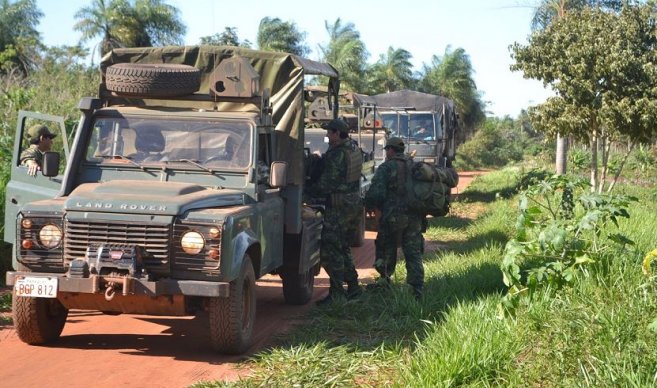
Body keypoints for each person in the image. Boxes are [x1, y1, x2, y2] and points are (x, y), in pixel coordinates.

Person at [306, 118, 364, 305]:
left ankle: (337, 293)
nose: (327, 135)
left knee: (331, 250)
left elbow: (326, 184)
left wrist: (306, 193)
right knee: (343, 247)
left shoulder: (337, 154)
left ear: (338, 134)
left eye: (330, 132)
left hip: (339, 207)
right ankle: (354, 288)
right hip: (352, 205)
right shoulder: (353, 148)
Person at [364, 136, 426, 299]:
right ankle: (417, 289)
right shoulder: (414, 166)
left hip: (392, 217)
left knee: (386, 248)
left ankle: (384, 282)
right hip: (414, 217)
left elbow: (376, 193)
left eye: (387, 150)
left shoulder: (386, 168)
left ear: (391, 150)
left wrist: (368, 205)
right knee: (413, 253)